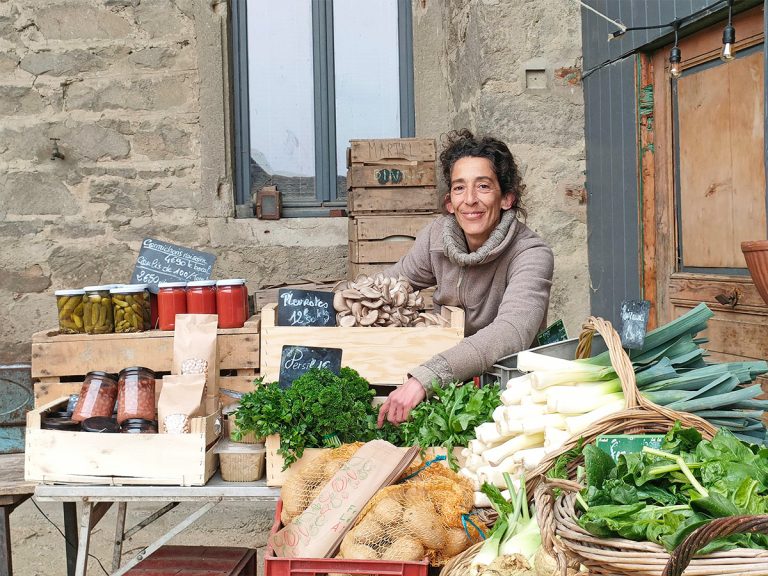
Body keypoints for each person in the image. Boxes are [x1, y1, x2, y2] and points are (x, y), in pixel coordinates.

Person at [376, 129, 554, 427]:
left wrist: (425, 378)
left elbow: (511, 332)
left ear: (507, 198)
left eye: (483, 186)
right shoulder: (436, 239)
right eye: (460, 188)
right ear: (449, 202)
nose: (470, 200)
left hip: (506, 395)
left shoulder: (531, 254)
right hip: (444, 393)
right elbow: (387, 285)